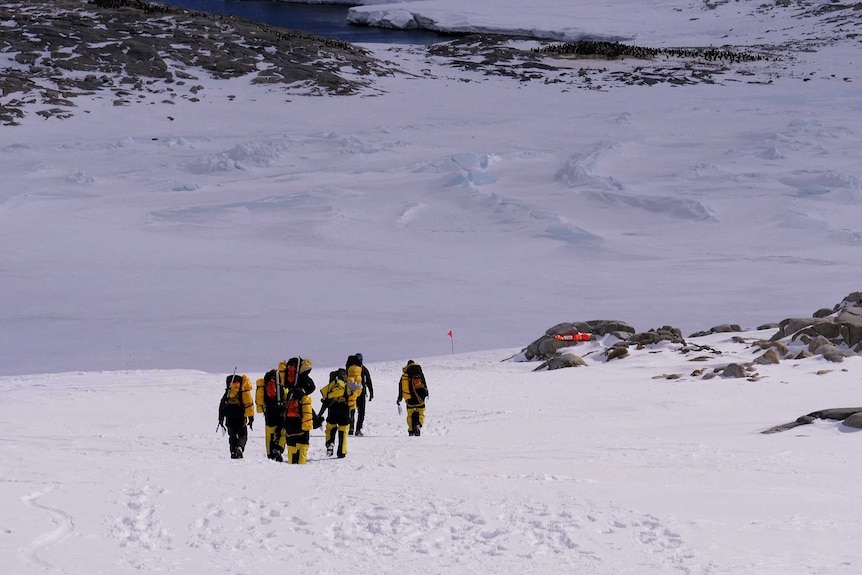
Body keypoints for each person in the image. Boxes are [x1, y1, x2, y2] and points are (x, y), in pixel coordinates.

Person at [281, 358, 315, 464]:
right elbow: (312, 387)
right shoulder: (303, 396)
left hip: (289, 425)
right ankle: (301, 469)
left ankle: (292, 466)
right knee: (302, 447)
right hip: (301, 426)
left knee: (291, 447)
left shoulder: (288, 393)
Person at [319, 367, 359, 458]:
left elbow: (324, 403)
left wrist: (319, 415)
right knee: (343, 432)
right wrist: (351, 415)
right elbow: (352, 402)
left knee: (330, 429)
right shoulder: (347, 387)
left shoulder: (329, 387)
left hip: (332, 410)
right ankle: (341, 452)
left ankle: (330, 443)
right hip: (344, 411)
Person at [218, 373, 254, 459]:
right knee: (243, 435)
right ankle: (239, 447)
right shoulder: (242, 393)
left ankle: (233, 452)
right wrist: (251, 419)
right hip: (241, 417)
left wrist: (221, 419)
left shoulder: (228, 393)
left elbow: (221, 406)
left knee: (232, 436)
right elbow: (248, 405)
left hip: (229, 418)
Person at [256, 369, 285, 461]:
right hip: (280, 410)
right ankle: (279, 448)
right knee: (282, 431)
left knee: (269, 433)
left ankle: (270, 454)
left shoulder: (264, 385)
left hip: (269, 411)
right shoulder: (280, 385)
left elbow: (259, 400)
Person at [397, 360, 428, 437]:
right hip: (420, 400)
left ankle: (411, 430)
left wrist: (399, 399)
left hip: (410, 401)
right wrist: (426, 394)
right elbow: (424, 384)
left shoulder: (405, 375)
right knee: (421, 413)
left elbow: (401, 388)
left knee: (410, 415)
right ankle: (418, 425)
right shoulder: (419, 372)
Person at [352, 353, 374, 436]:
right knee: (361, 412)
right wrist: (371, 393)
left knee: (352, 410)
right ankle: (358, 430)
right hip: (361, 393)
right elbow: (369, 382)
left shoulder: (350, 369)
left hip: (351, 392)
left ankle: (350, 428)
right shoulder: (364, 369)